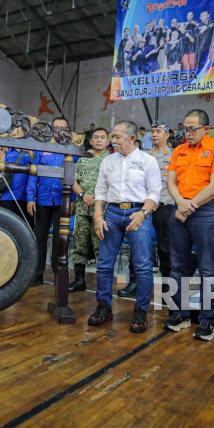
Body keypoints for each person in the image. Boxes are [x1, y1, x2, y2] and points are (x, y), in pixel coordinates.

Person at [163, 109, 214, 341]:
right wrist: (180, 203)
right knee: (178, 267)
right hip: (179, 211)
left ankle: (207, 321)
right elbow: (171, 182)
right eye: (184, 128)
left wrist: (188, 206)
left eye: (192, 129)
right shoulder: (179, 151)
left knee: (208, 269)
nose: (187, 133)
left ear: (205, 129)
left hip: (206, 212)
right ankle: (180, 314)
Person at [89, 121, 161, 332]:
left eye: (118, 137)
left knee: (142, 266)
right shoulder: (108, 161)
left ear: (131, 138)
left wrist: (143, 214)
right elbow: (100, 190)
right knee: (104, 264)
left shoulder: (147, 161)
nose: (113, 140)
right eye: (113, 136)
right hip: (111, 214)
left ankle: (140, 310)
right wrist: (97, 216)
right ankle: (104, 306)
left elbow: (154, 193)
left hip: (138, 213)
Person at [27, 116, 73, 286]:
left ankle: (59, 276)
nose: (59, 130)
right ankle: (36, 275)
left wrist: (73, 200)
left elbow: (73, 178)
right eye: (56, 127)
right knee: (39, 238)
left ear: (67, 131)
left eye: (62, 127)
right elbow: (34, 174)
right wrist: (31, 198)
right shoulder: (42, 149)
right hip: (43, 200)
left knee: (60, 241)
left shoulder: (71, 150)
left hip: (63, 201)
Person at [70, 128, 110, 292]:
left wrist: (96, 199)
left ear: (108, 142)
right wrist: (83, 195)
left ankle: (103, 285)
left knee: (101, 248)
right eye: (96, 138)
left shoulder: (112, 161)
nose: (99, 140)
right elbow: (72, 180)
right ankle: (79, 280)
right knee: (80, 246)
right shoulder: (82, 160)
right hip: (82, 209)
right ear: (91, 141)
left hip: (103, 212)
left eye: (103, 138)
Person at [147, 122, 175, 292]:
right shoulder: (143, 155)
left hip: (165, 205)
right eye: (152, 131)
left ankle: (167, 283)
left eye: (158, 131)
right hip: (144, 206)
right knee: (140, 245)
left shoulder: (174, 156)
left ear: (167, 135)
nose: (154, 134)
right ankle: (134, 281)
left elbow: (172, 182)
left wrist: (158, 201)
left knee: (166, 247)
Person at [0, 147, 36, 231]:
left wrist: (30, 152)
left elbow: (37, 165)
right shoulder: (7, 151)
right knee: (6, 228)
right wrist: (3, 152)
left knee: (26, 229)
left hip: (26, 198)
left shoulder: (31, 151)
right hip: (8, 196)